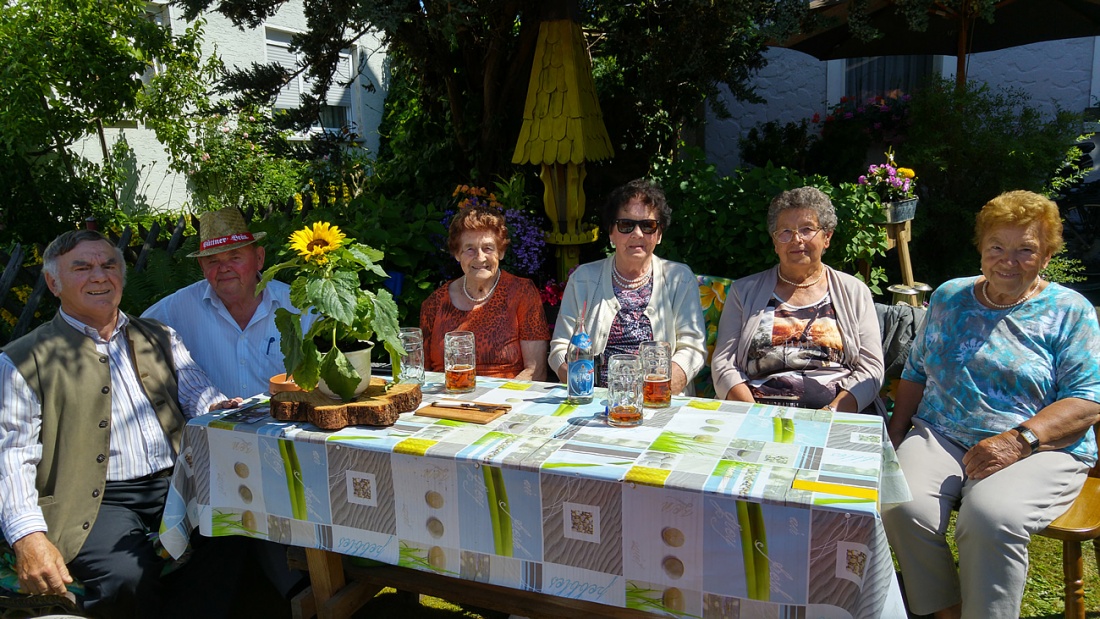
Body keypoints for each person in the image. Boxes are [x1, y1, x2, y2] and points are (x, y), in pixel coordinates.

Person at [0, 230, 244, 617]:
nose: (99, 276)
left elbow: (200, 396)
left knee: (236, 532)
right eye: (81, 267)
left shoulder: (158, 335)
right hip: (94, 501)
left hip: (177, 484)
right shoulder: (23, 360)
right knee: (125, 577)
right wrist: (27, 537)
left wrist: (225, 407)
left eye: (108, 265)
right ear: (53, 282)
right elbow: (11, 456)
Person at [882, 190, 1100, 619]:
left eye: (1025, 250)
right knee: (899, 499)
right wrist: (894, 431)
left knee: (989, 516)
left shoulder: (1069, 310)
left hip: (1038, 445)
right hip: (942, 432)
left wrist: (1018, 441)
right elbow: (916, 371)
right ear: (981, 249)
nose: (1008, 260)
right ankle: (946, 609)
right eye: (997, 247)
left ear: (1047, 256)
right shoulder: (949, 297)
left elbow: (1088, 401)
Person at [143, 207, 311, 598]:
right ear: (202, 267)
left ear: (259, 259)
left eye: (235, 257)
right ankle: (293, 589)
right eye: (212, 261)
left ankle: (298, 583)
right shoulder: (174, 310)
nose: (224, 269)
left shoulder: (297, 306)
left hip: (289, 442)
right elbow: (127, 340)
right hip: (215, 451)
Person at [710, 186, 884, 412]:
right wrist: (754, 415)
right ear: (775, 242)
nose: (796, 240)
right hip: (756, 414)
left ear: (827, 237)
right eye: (785, 232)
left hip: (835, 415)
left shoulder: (854, 291)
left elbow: (871, 368)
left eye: (807, 229)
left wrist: (832, 413)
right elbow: (724, 364)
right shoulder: (743, 291)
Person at [549, 179, 706, 392]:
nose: (637, 234)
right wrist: (577, 381)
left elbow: (693, 348)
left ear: (659, 235)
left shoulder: (680, 279)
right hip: (594, 398)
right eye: (626, 225)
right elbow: (559, 347)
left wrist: (662, 389)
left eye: (648, 226)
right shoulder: (583, 279)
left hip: (658, 398)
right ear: (611, 233)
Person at [421, 204, 550, 380]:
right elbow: (423, 373)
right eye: (470, 249)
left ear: (501, 252)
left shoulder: (522, 293)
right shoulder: (435, 303)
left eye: (488, 248)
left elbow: (535, 371)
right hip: (447, 400)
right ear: (457, 254)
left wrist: (497, 402)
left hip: (506, 401)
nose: (480, 257)